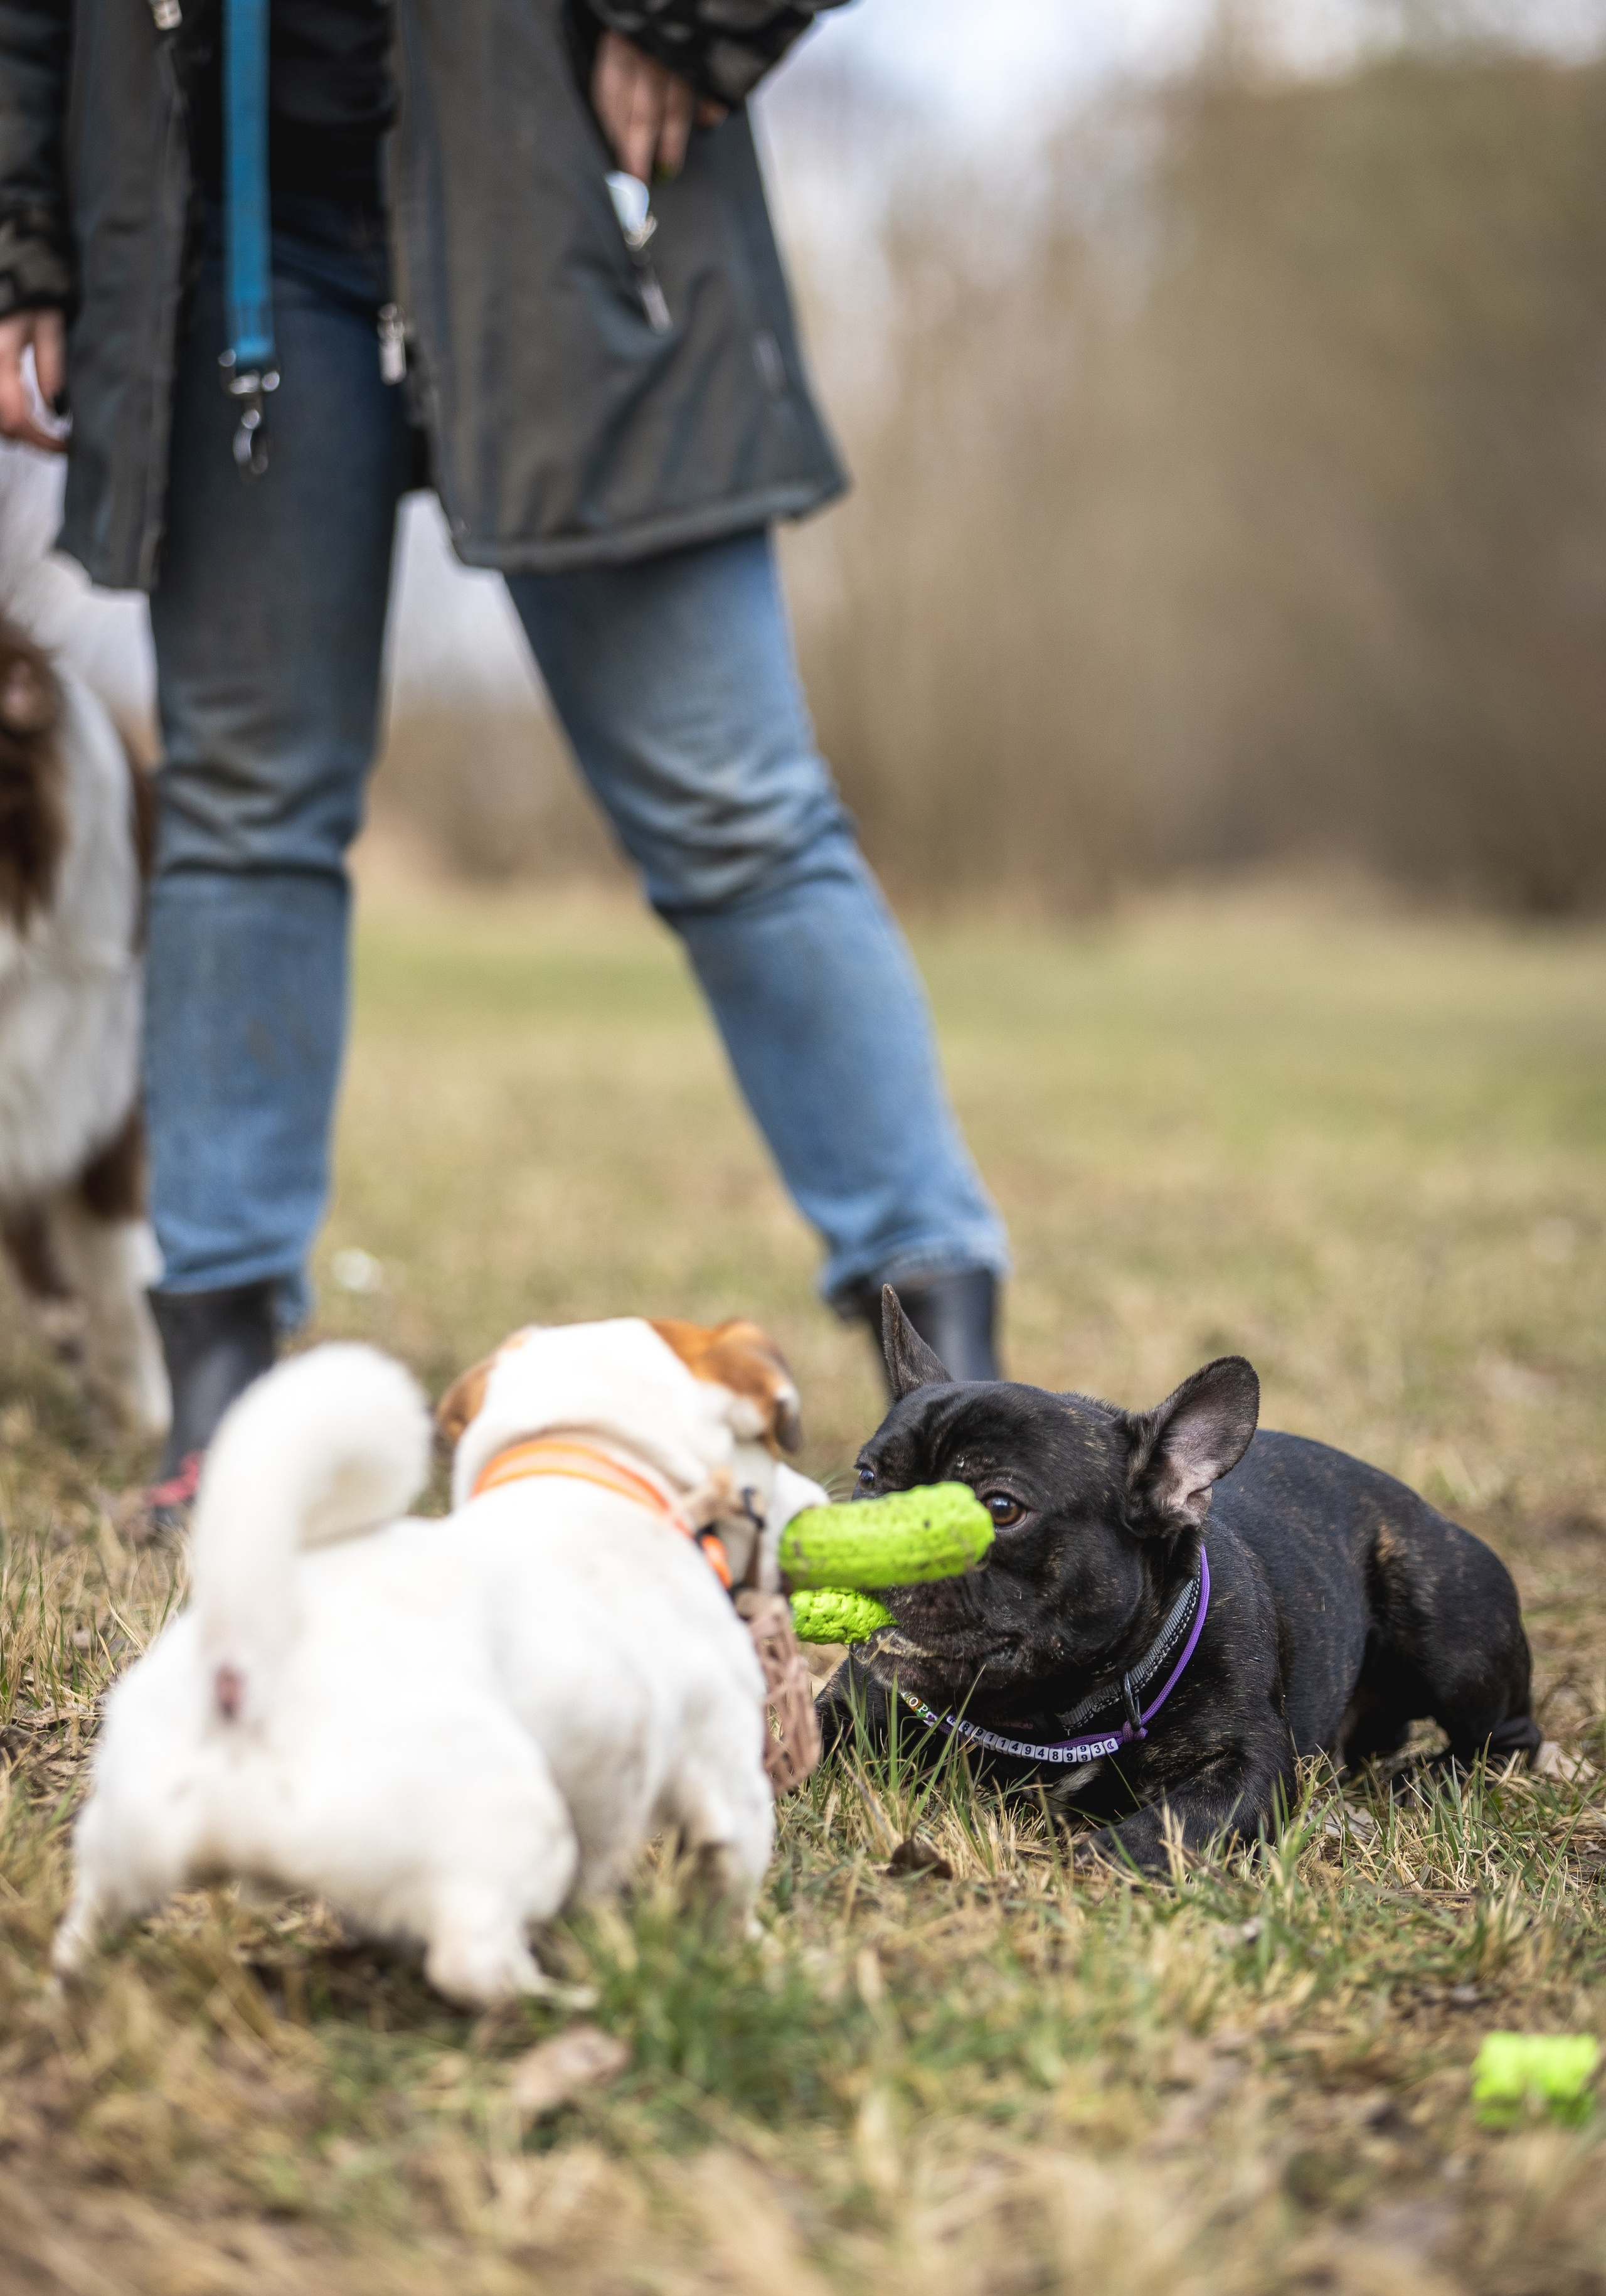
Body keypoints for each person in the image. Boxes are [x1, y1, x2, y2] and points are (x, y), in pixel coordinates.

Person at [0, 0, 1008, 1514]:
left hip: (574, 169)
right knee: (242, 815)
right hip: (218, 221)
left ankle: (959, 1374)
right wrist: (23, 232)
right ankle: (212, 1387)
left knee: (738, 809)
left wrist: (696, 21)